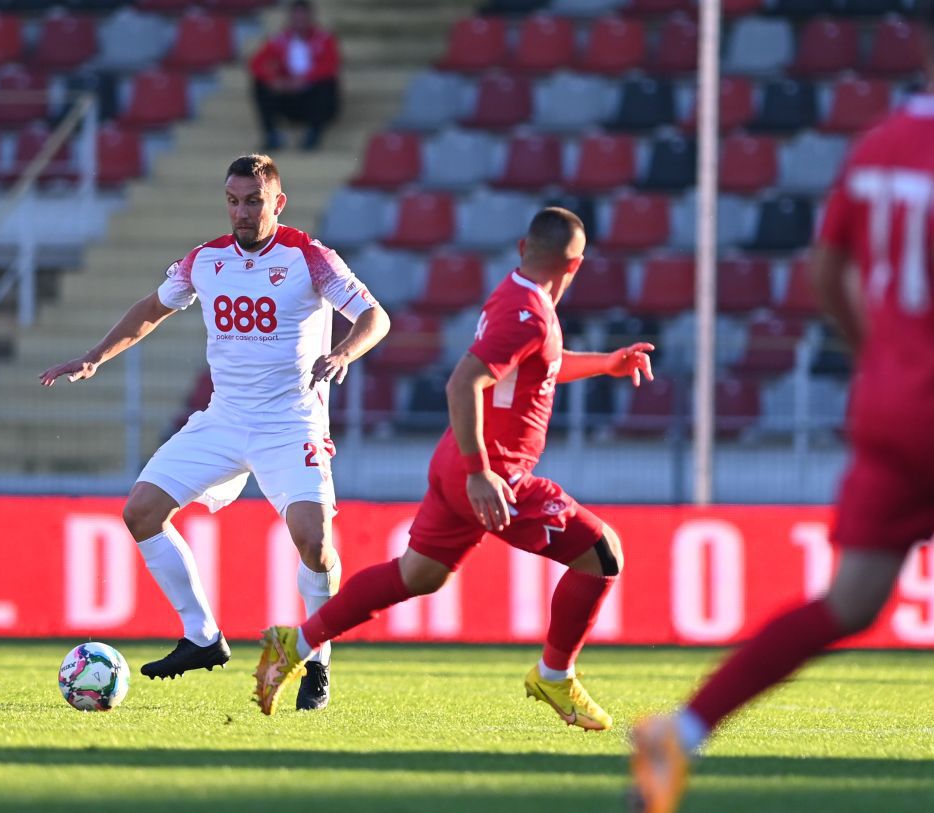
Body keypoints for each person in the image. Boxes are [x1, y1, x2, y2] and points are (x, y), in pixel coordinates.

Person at [629, 5, 934, 810]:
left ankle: (684, 729)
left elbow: (825, 266)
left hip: (888, 399)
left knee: (850, 601)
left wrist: (882, 350)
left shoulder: (879, 145)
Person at [253, 207, 656, 722]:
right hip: (492, 472)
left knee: (416, 574)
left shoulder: (516, 294)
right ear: (575, 266)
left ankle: (297, 642)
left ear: (522, 249)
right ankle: (555, 677)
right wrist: (479, 471)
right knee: (602, 553)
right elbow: (462, 383)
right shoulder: (529, 314)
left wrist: (605, 363)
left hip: (457, 464)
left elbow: (537, 364)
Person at [40, 154, 390, 712]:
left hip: (290, 420)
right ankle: (202, 637)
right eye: (233, 201)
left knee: (315, 543)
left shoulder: (309, 257)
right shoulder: (207, 261)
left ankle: (317, 661)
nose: (242, 212)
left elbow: (375, 316)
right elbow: (153, 309)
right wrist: (94, 357)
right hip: (223, 418)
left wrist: (345, 351)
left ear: (278, 202)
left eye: (253, 201)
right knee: (140, 512)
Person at [249, 0, 340, 152]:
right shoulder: (280, 39)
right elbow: (256, 63)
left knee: (326, 84)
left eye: (303, 17)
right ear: (290, 18)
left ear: (310, 17)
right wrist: (275, 80)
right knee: (260, 83)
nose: (300, 22)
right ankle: (271, 135)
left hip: (314, 97)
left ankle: (313, 134)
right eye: (296, 17)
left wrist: (305, 80)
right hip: (288, 96)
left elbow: (331, 65)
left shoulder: (324, 39)